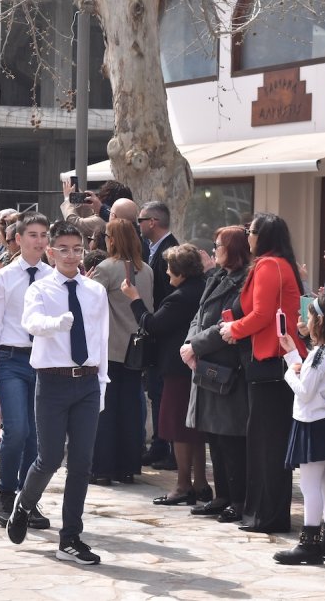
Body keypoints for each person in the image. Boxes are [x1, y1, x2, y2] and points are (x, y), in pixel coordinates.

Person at [6, 221, 108, 565]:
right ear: (51, 251)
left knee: (81, 463)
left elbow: (101, 340)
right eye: (63, 249)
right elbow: (31, 323)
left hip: (88, 383)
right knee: (49, 459)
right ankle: (23, 502)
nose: (70, 256)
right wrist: (57, 323)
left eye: (76, 249)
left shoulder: (95, 290)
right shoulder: (41, 289)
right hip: (51, 382)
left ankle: (70, 539)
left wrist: (102, 383)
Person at [220, 213, 307, 534]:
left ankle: (267, 516)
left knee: (267, 444)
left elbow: (261, 314)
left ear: (263, 236)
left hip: (272, 362)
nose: (248, 236)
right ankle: (264, 513)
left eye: (251, 231)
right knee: (265, 442)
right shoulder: (278, 264)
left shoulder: (270, 265)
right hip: (273, 361)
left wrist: (233, 329)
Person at [0, 212, 53, 528]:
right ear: (18, 239)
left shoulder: (55, 277)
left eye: (43, 235)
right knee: (18, 430)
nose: (38, 241)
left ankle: (28, 499)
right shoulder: (6, 277)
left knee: (38, 437)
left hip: (44, 362)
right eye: (32, 235)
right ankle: (6, 492)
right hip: (11, 360)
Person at [121, 243, 208, 505]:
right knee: (194, 430)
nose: (167, 273)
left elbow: (153, 324)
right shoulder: (202, 288)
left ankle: (183, 486)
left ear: (181, 271)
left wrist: (135, 299)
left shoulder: (180, 296)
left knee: (178, 429)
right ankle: (201, 483)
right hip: (194, 367)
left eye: (170, 268)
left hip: (178, 369)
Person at [273, 295, 325, 565]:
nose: (305, 321)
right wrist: (292, 354)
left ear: (319, 321)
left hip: (313, 423)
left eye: (309, 316)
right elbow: (310, 375)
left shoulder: (320, 354)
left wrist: (288, 373)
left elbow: (305, 391)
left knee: (310, 486)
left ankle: (309, 544)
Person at [181, 226, 251, 523]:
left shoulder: (244, 280)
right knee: (214, 436)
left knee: (230, 438)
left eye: (219, 245)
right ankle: (221, 496)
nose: (214, 250)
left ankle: (238, 499)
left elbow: (230, 321)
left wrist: (195, 345)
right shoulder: (217, 277)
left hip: (228, 366)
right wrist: (189, 343)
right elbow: (199, 315)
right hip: (205, 364)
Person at [89, 218, 153, 485]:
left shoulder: (106, 268)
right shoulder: (147, 270)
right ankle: (128, 467)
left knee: (106, 410)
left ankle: (103, 468)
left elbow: (90, 303)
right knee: (131, 409)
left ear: (111, 239)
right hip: (137, 348)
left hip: (112, 349)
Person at [138, 200, 179, 468]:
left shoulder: (170, 251)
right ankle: (160, 444)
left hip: (167, 335)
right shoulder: (151, 248)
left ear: (152, 221)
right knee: (157, 394)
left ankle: (169, 449)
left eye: (141, 220)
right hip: (157, 336)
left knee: (166, 395)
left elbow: (168, 297)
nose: (138, 225)